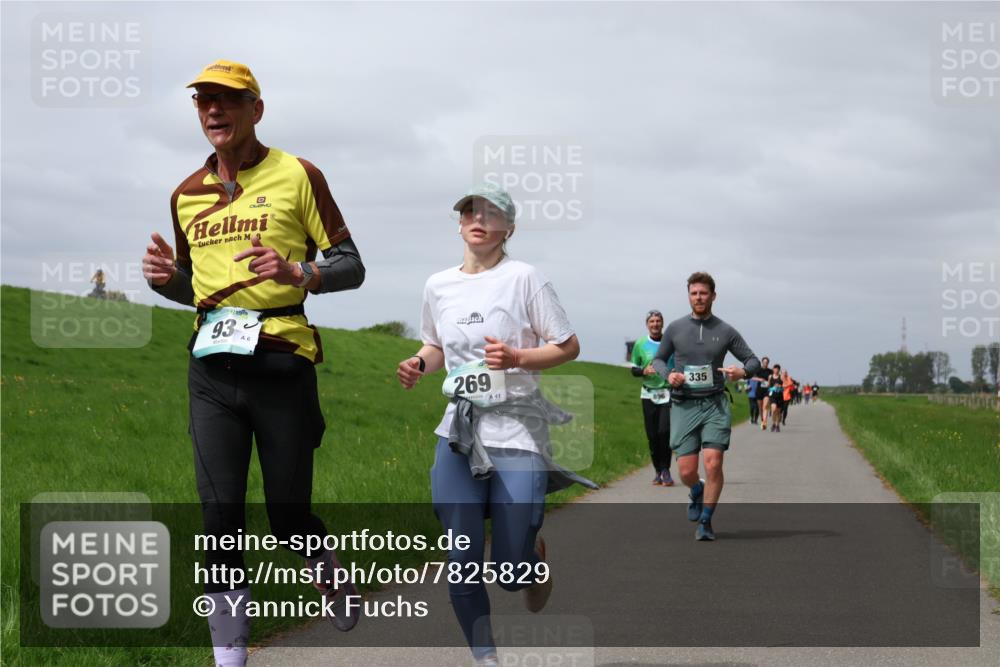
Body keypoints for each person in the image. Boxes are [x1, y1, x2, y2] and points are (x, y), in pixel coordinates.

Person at [141, 60, 365, 666]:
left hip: (282, 365)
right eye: (204, 101)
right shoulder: (185, 195)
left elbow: (351, 265)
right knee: (219, 517)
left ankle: (323, 562)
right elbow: (196, 288)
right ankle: (229, 659)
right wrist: (167, 281)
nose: (214, 110)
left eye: (228, 100)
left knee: (287, 518)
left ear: (255, 110)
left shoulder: (299, 174)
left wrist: (300, 271)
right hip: (211, 369)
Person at [397, 184, 594, 667]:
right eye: (468, 211)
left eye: (490, 213)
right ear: (459, 222)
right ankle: (485, 658)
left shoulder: (525, 278)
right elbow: (436, 345)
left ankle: (531, 561)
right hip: (459, 434)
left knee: (508, 572)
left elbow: (567, 345)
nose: (477, 218)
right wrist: (420, 364)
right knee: (461, 565)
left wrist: (518, 356)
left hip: (517, 431)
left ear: (509, 227)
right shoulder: (438, 285)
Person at [651, 272, 760, 542]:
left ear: (713, 295)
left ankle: (706, 521)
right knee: (687, 471)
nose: (698, 298)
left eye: (703, 293)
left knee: (713, 464)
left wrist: (741, 372)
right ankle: (696, 491)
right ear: (688, 296)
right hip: (683, 404)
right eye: (694, 293)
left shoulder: (725, 331)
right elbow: (659, 360)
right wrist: (669, 376)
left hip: (714, 404)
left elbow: (753, 360)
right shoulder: (675, 329)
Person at [630, 310, 675, 486]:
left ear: (662, 323)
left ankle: (666, 470)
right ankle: (658, 470)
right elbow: (633, 369)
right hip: (648, 394)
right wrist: (643, 371)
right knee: (652, 435)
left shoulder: (670, 342)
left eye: (658, 321)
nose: (655, 324)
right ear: (647, 324)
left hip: (667, 392)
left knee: (664, 432)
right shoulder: (640, 344)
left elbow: (679, 363)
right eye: (652, 321)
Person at [755, 356, 771, 430]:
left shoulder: (770, 371)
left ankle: (764, 422)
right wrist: (759, 379)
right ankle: (762, 420)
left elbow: (774, 378)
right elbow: (752, 377)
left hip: (766, 391)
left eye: (767, 362)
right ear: (762, 362)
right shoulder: (758, 370)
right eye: (764, 362)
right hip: (759, 390)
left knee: (765, 406)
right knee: (760, 408)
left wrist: (770, 381)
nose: (765, 363)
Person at [766, 365, 784, 432]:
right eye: (775, 369)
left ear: (779, 370)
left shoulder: (781, 376)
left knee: (778, 412)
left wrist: (780, 386)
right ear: (773, 369)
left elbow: (785, 385)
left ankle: (777, 425)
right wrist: (769, 387)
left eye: (777, 369)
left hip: (779, 396)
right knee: (773, 410)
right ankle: (773, 423)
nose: (776, 370)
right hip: (772, 395)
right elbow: (768, 385)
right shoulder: (770, 376)